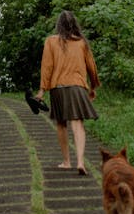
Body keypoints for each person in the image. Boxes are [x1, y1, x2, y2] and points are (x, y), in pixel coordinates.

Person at [35, 10, 100, 175]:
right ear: (74, 24)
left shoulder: (50, 41)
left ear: (58, 25)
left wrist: (42, 90)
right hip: (78, 87)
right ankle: (80, 162)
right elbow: (91, 66)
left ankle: (66, 162)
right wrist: (93, 87)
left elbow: (47, 67)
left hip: (58, 87)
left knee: (61, 124)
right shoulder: (82, 43)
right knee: (77, 123)